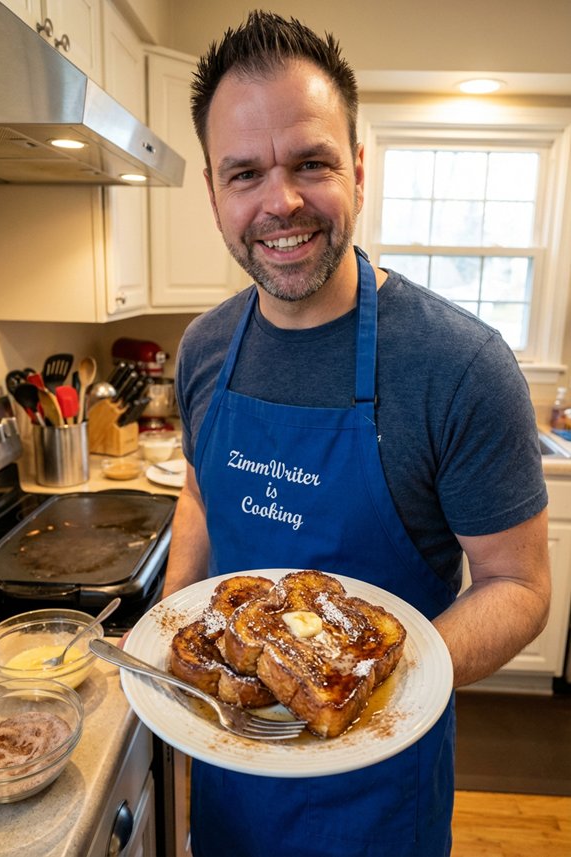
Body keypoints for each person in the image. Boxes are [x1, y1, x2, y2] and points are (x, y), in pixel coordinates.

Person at [164, 11, 550, 857]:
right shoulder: (202, 350)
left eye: (311, 162)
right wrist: (169, 632)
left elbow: (518, 586)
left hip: (380, 798)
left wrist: (365, 681)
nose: (281, 202)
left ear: (359, 168)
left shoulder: (457, 365)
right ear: (213, 192)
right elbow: (199, 489)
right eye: (245, 173)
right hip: (231, 769)